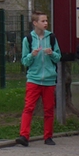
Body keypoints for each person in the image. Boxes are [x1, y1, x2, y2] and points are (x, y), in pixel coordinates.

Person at [17, 11, 61, 146]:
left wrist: (52, 53)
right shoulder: (28, 39)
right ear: (35, 23)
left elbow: (58, 57)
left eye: (46, 21)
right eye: (43, 21)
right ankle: (24, 136)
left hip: (49, 79)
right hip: (33, 79)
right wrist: (32, 55)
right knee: (28, 107)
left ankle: (48, 136)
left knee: (49, 109)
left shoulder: (52, 38)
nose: (46, 23)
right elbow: (24, 61)